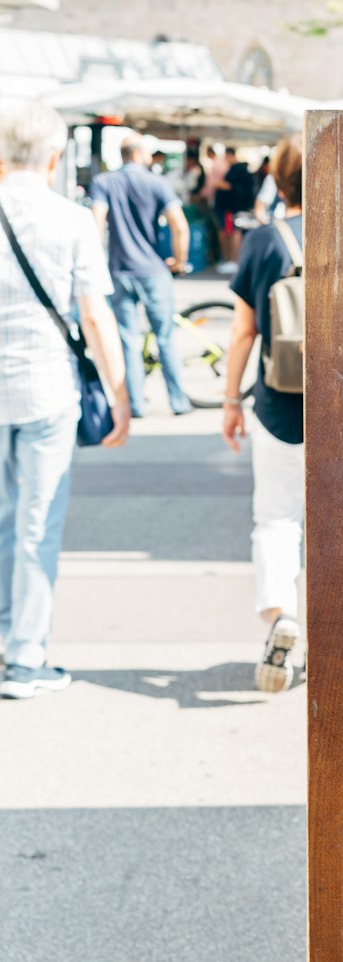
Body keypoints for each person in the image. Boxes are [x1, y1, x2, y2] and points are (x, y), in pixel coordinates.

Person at [0, 101, 130, 700]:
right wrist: (120, 393)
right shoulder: (72, 220)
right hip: (47, 390)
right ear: (54, 159)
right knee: (36, 525)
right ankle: (25, 659)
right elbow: (96, 317)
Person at [221, 134, 303, 693]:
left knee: (276, 518)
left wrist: (230, 401)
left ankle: (282, 616)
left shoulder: (263, 241)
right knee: (341, 524)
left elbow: (243, 330)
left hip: (279, 402)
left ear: (277, 176)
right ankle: (338, 632)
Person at [89, 132, 194, 418]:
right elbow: (180, 226)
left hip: (118, 270)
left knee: (128, 339)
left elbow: (96, 222)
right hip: (154, 270)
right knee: (165, 337)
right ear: (137, 155)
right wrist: (180, 261)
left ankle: (135, 404)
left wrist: (96, 262)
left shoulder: (103, 182)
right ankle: (178, 402)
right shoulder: (157, 183)